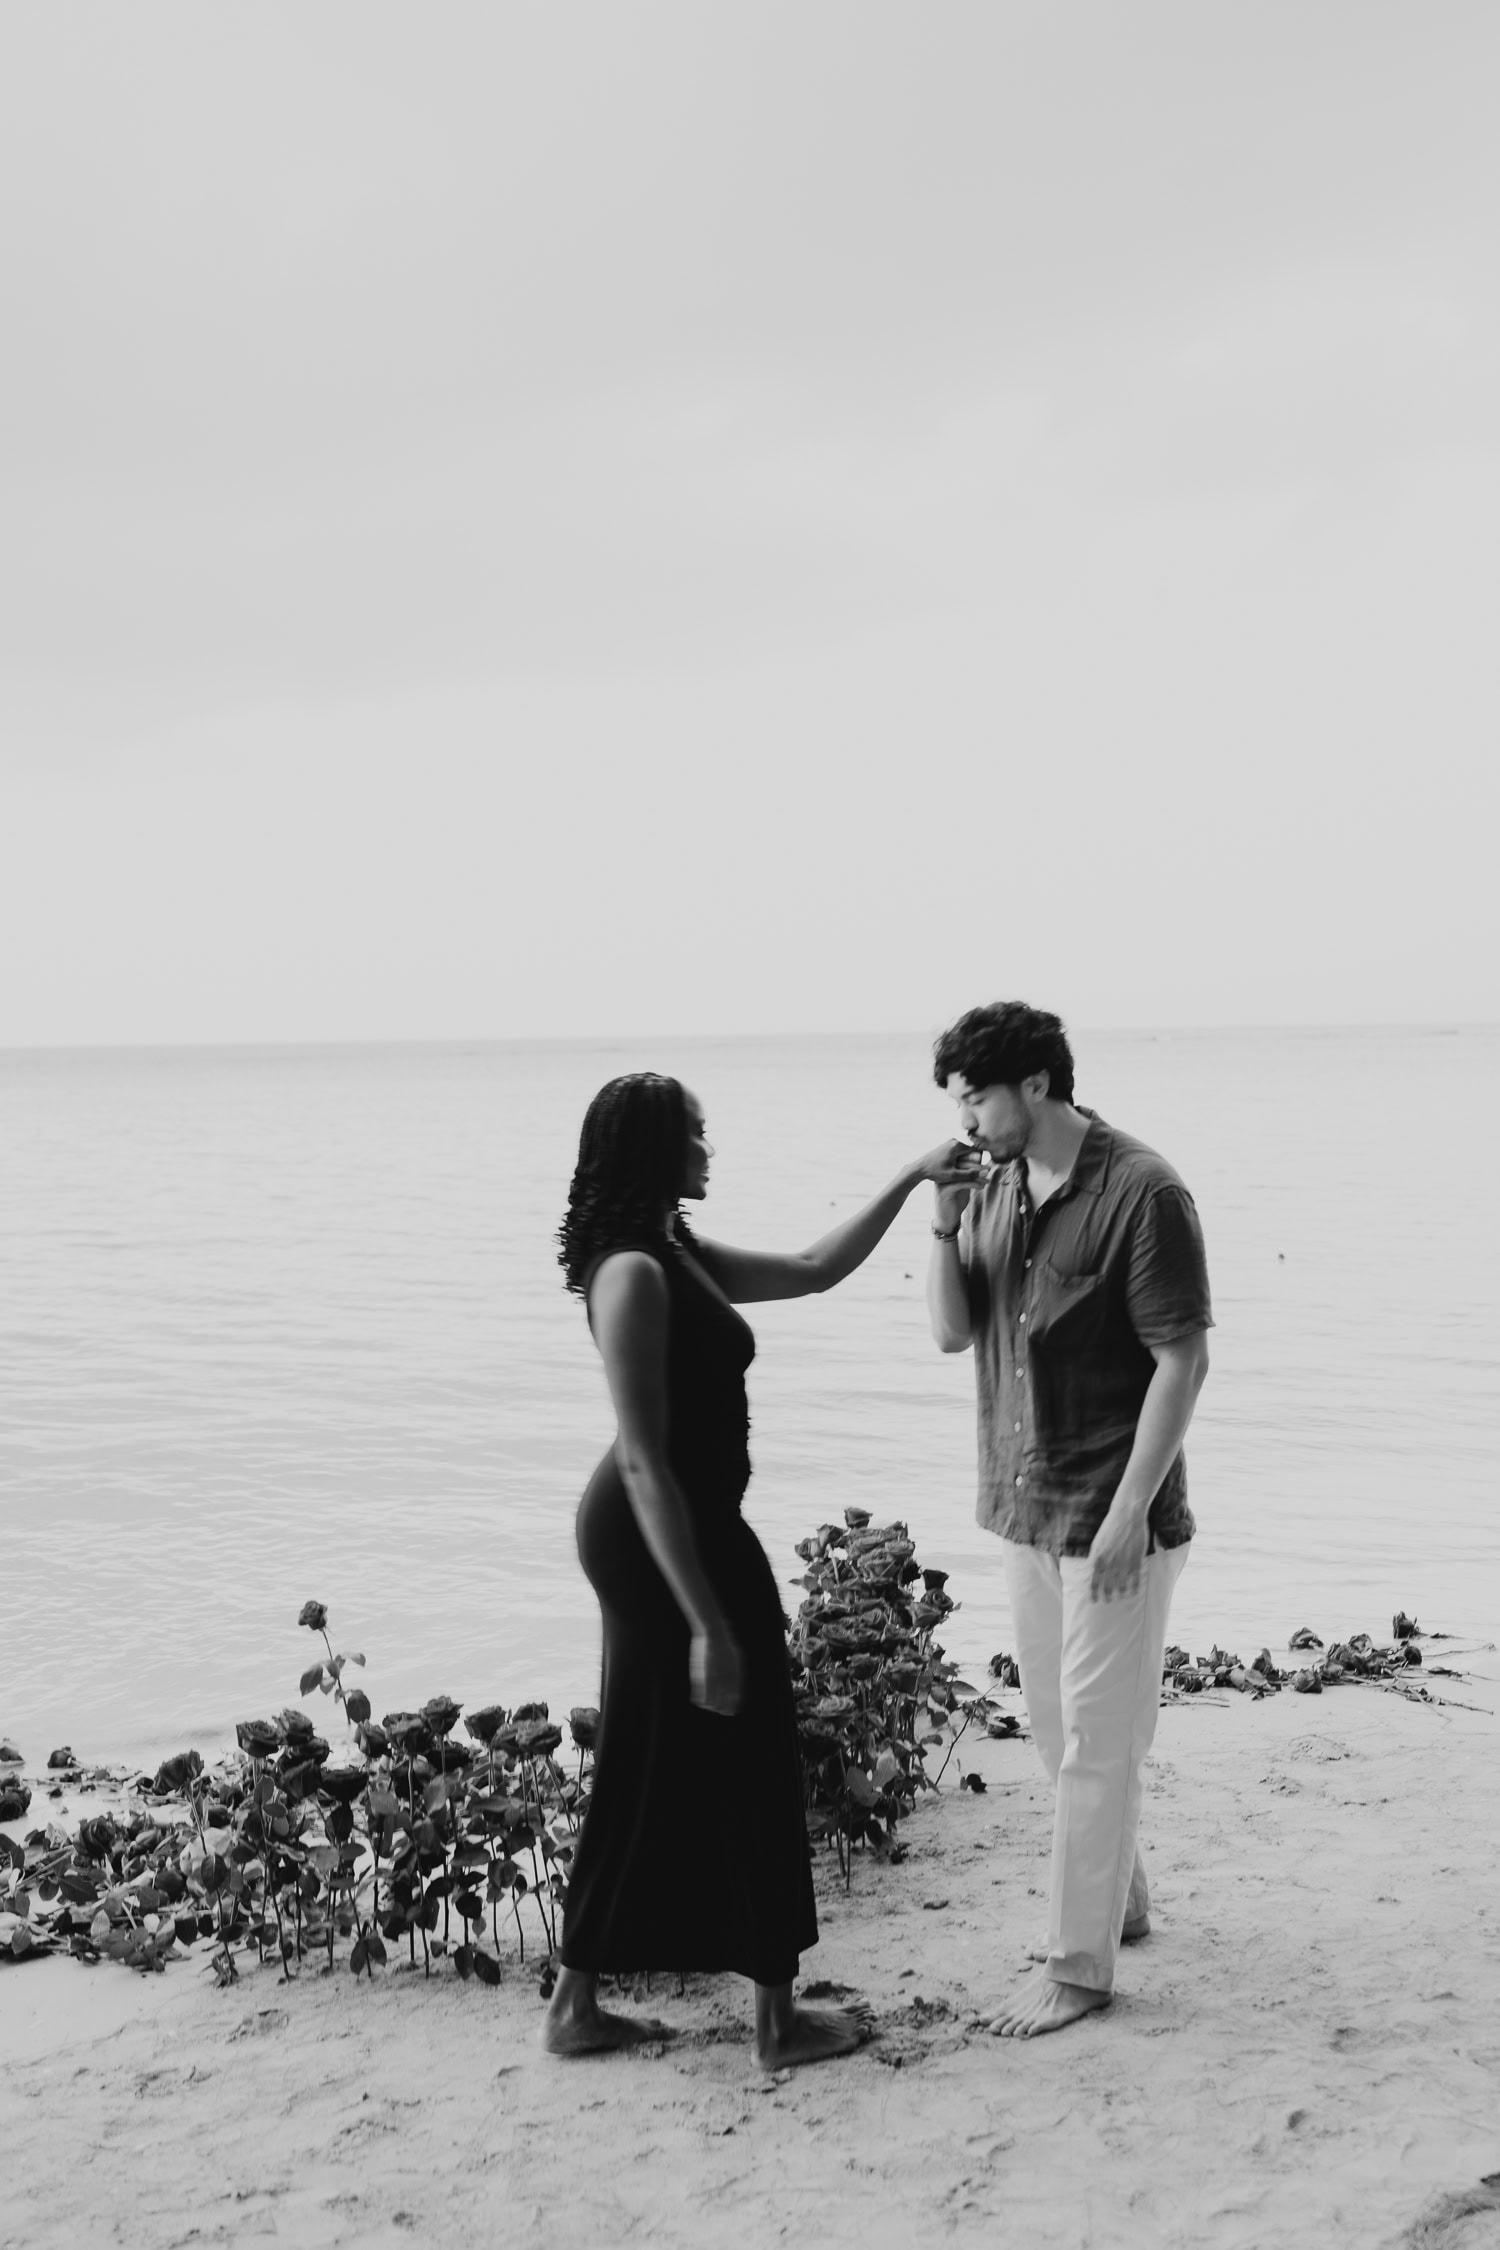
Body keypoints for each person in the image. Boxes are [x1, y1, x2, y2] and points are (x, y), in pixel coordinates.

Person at [543, 1071, 978, 2069]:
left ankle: (580, 2004)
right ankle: (775, 2024)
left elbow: (816, 1266)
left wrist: (915, 1178)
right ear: (654, 1147)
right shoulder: (632, 1275)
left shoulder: (674, 1249)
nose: (709, 1146)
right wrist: (706, 1622)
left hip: (693, 1526)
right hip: (662, 1540)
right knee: (745, 1747)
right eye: (695, 1133)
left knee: (658, 1762)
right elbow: (646, 1459)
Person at [925, 1002, 1212, 2039]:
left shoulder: (1144, 1191)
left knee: (1097, 1741)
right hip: (1023, 1508)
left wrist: (1134, 1512)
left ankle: (1078, 1968)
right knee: (1055, 1734)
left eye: (974, 1095)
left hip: (1114, 1513)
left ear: (1035, 1085)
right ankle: (1118, 1899)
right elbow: (953, 1335)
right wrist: (944, 1217)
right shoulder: (993, 1187)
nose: (963, 1115)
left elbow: (1182, 1359)